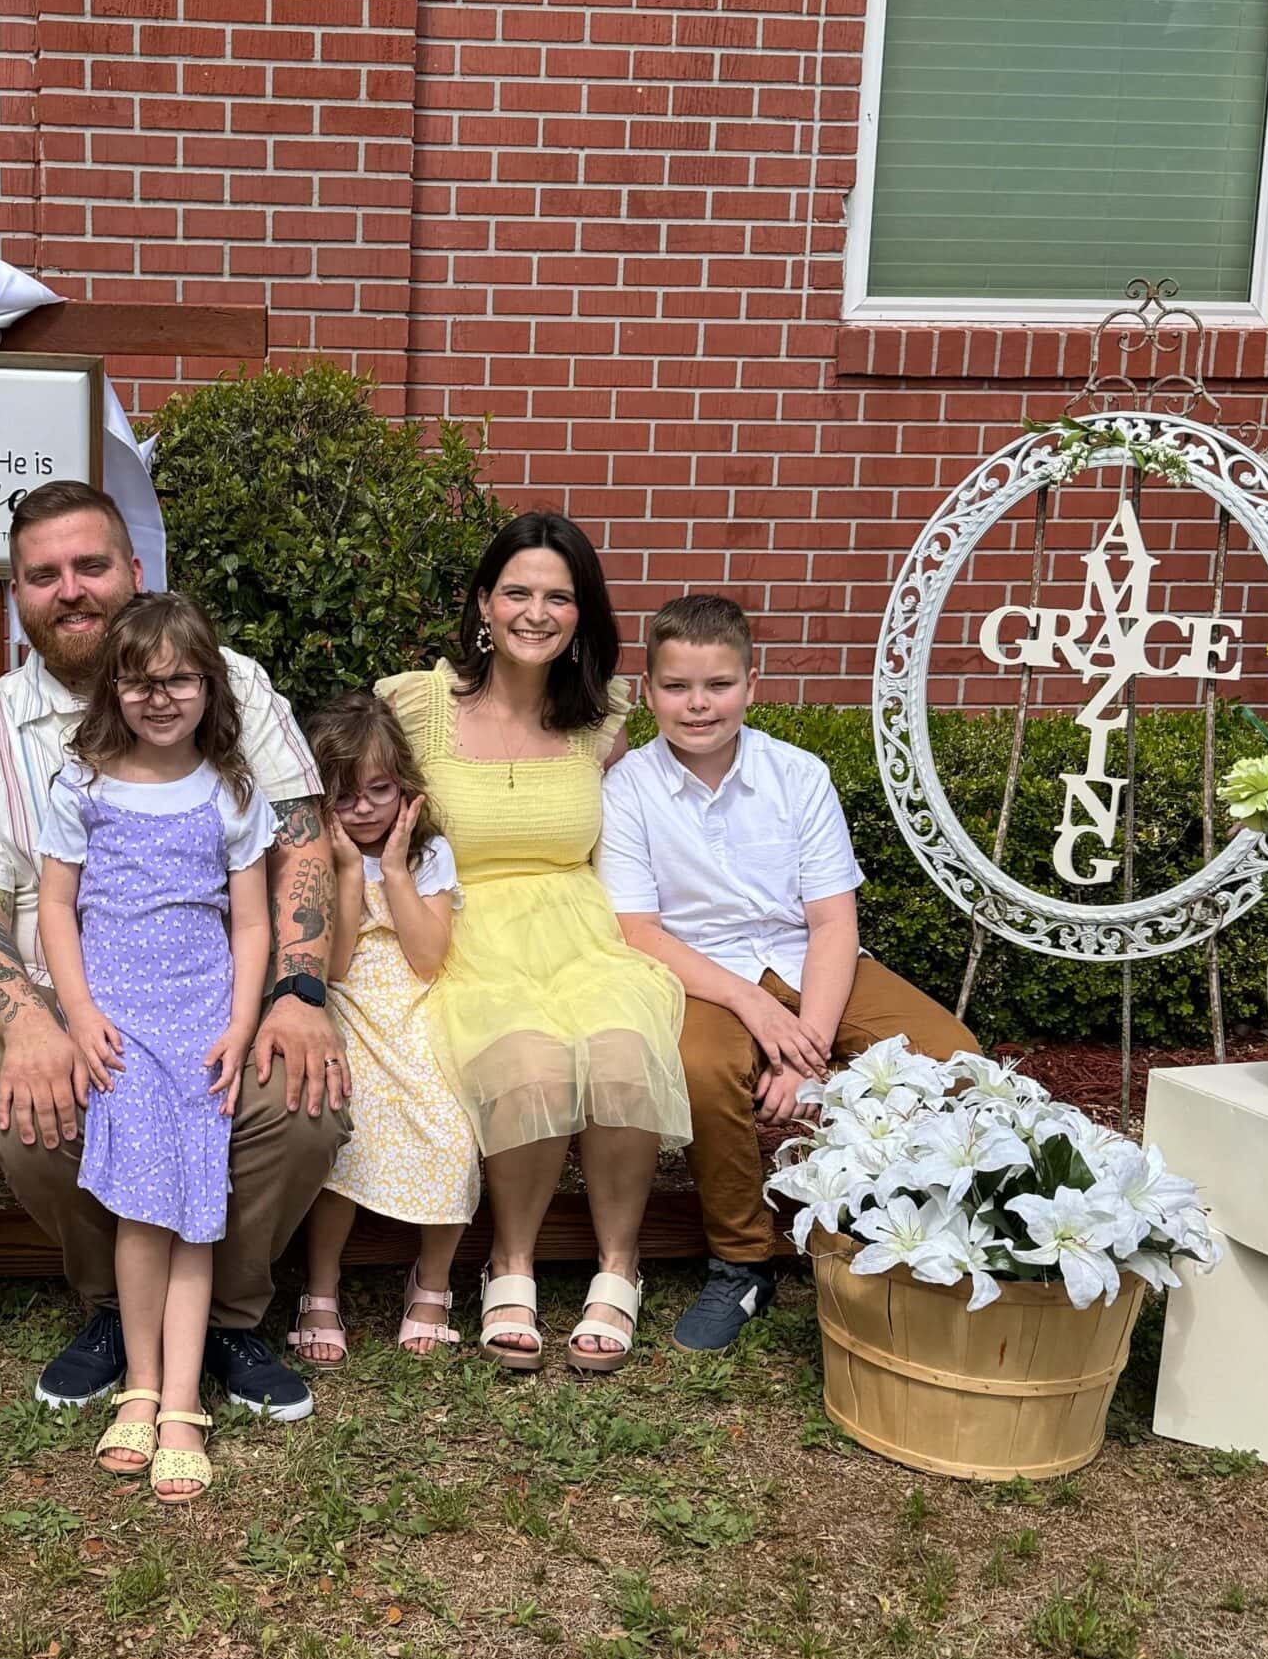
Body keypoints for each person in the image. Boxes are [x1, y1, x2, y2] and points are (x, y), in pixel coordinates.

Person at [0, 480, 350, 1422]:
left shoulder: (229, 682)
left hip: (216, 994)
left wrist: (295, 991)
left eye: (90, 565)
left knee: (299, 1100)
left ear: (132, 568)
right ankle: (119, 1315)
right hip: (81, 1000)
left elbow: (297, 843)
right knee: (34, 1117)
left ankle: (227, 1317)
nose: (70, 590)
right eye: (43, 575)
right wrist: (31, 1022)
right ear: (17, 593)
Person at [601, 593, 979, 1352]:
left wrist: (805, 1047)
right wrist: (754, 1008)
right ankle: (741, 1260)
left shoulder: (799, 775)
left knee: (956, 1059)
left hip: (810, 961)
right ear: (648, 691)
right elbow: (639, 931)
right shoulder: (628, 789)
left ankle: (895, 1226)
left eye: (718, 685)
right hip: (701, 972)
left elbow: (833, 922)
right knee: (702, 1069)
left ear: (752, 684)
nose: (698, 704)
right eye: (676, 686)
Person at [377, 511, 690, 1374]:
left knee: (623, 1052)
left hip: (582, 931)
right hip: (467, 929)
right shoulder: (416, 704)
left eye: (559, 596)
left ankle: (618, 1265)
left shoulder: (604, 719)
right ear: (484, 602)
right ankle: (508, 1262)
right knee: (532, 1063)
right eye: (517, 592)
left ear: (582, 613)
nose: (536, 612)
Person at [36, 595, 273, 1503]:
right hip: (121, 1030)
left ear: (209, 686)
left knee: (195, 1207)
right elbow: (57, 906)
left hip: (203, 1024)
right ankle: (141, 1384)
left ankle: (182, 1404)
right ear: (113, 689)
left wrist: (241, 1024)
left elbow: (250, 923)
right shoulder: (84, 786)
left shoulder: (230, 791)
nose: (160, 696)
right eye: (140, 681)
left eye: (179, 679)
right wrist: (79, 1011)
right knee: (144, 1209)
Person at [288, 690, 478, 1365]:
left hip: (418, 1000)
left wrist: (393, 868)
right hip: (345, 1002)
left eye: (380, 790)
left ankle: (432, 1280)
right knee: (347, 1125)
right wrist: (346, 870)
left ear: (405, 787)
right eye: (345, 796)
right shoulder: (312, 855)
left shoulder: (428, 853)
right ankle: (321, 1284)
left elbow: (427, 958)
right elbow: (334, 963)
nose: (365, 808)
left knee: (453, 1128)